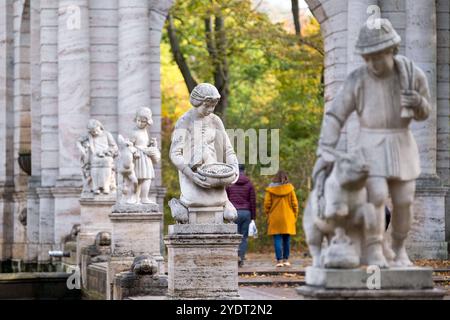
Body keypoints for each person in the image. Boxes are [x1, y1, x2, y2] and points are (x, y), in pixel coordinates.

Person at [312, 19, 431, 267]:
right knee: (375, 196)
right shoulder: (358, 79)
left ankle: (398, 250)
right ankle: (375, 249)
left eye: (377, 56)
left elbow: (424, 113)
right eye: (367, 57)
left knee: (404, 200)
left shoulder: (412, 76)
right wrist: (326, 147)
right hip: (369, 144)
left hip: (401, 141)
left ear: (391, 51)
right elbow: (336, 114)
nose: (371, 63)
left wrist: (417, 103)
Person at [264, 171, 299, 267]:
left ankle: (279, 261)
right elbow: (295, 204)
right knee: (287, 239)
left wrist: (268, 214)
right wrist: (294, 216)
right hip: (288, 217)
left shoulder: (270, 190)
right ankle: (286, 260)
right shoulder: (290, 189)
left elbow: (267, 204)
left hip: (275, 217)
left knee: (277, 238)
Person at [129, 107, 161, 204]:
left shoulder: (145, 131)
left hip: (146, 157)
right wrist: (135, 151)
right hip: (138, 157)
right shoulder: (134, 132)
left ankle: (144, 197)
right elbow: (129, 145)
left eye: (143, 122)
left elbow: (144, 144)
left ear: (147, 122)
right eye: (138, 120)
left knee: (147, 178)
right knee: (138, 178)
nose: (140, 123)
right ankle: (135, 197)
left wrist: (152, 145)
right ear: (136, 119)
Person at [226, 164, 256, 267]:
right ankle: (241, 257)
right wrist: (253, 217)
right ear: (245, 170)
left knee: (234, 237)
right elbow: (252, 201)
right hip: (246, 212)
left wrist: (225, 214)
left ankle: (234, 256)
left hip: (233, 213)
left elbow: (226, 200)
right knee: (243, 237)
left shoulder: (230, 184)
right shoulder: (249, 184)